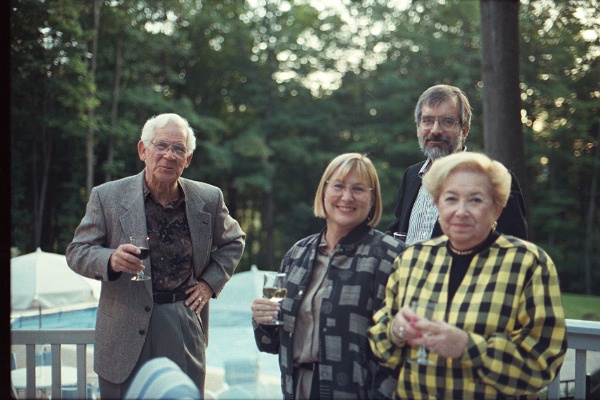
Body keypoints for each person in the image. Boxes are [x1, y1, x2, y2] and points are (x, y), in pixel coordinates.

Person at [66, 113, 245, 399]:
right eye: (161, 145)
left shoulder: (208, 198)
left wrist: (209, 283)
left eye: (179, 149)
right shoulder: (107, 196)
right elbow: (77, 252)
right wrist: (110, 260)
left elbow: (234, 241)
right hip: (123, 325)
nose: (169, 155)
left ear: (187, 159)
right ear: (143, 150)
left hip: (182, 320)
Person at [369, 152, 567, 399]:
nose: (461, 211)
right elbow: (380, 343)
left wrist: (468, 347)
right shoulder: (412, 259)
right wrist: (396, 331)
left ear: (497, 208)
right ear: (438, 204)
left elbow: (543, 362)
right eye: (451, 198)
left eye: (475, 200)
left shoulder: (528, 264)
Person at [251, 153, 406, 399]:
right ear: (323, 192)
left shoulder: (391, 257)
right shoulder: (297, 254)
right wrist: (262, 319)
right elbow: (270, 342)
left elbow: (402, 347)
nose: (347, 197)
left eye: (358, 189)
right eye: (338, 186)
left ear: (372, 199)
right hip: (298, 388)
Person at [388, 84, 528, 243]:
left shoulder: (495, 180)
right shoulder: (412, 175)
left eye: (447, 121)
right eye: (427, 120)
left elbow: (515, 248)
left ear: (465, 129)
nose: (435, 130)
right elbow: (398, 232)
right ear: (418, 127)